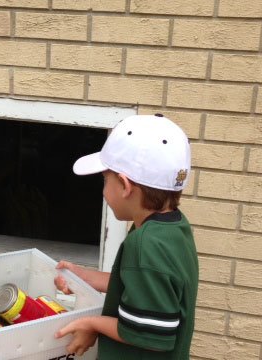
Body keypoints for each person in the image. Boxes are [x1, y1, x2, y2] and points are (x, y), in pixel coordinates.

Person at [54, 114, 198, 359]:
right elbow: (137, 284)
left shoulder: (146, 244)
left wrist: (92, 324)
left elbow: (150, 335)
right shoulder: (171, 228)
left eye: (104, 180)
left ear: (124, 185)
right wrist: (82, 276)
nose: (103, 190)